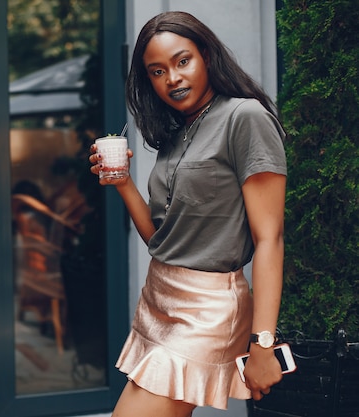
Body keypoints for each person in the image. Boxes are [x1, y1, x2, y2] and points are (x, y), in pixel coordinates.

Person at [89, 11, 287, 417]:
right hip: (159, 298)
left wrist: (262, 343)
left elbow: (270, 239)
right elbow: (163, 242)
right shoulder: (178, 131)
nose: (172, 79)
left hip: (207, 309)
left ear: (208, 57)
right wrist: (123, 183)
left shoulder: (244, 118)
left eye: (183, 61)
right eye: (157, 71)